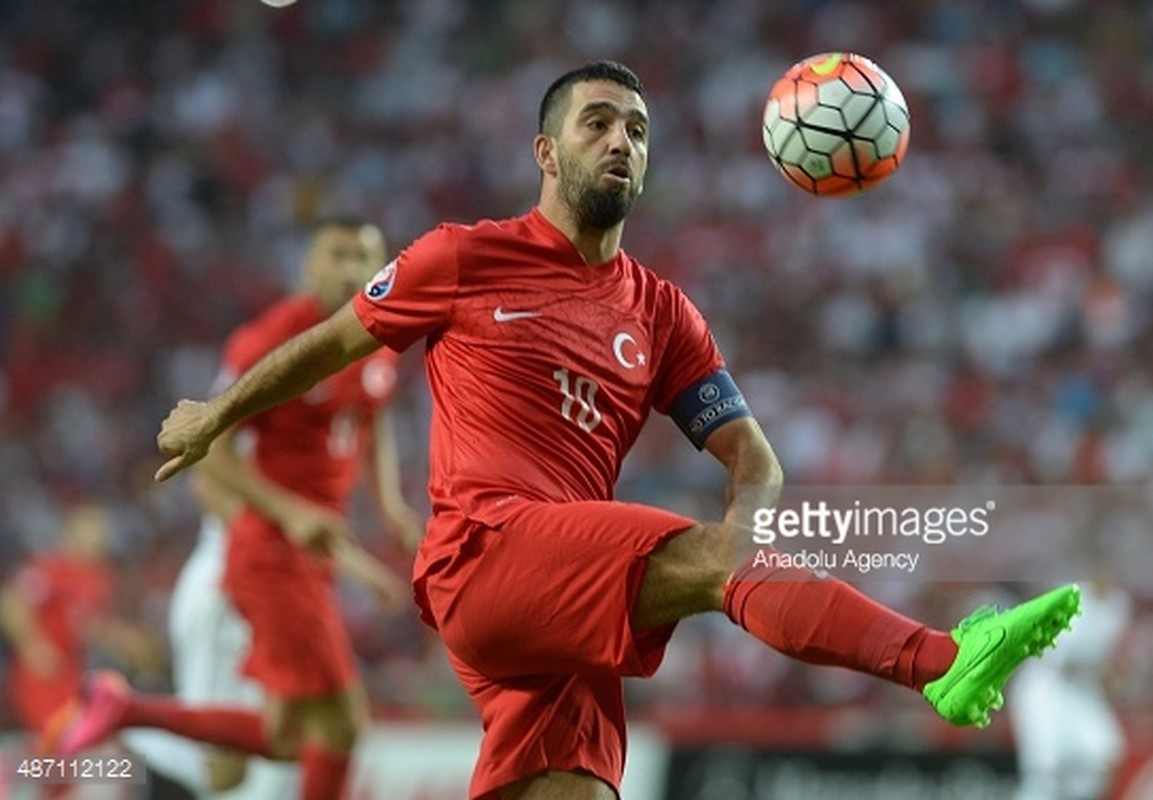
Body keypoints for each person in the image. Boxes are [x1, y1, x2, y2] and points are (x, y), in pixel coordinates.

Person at [78, 61, 1077, 799]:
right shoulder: (463, 257)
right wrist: (217, 413)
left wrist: (751, 529)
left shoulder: (662, 309)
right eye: (599, 123)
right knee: (694, 559)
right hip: (484, 550)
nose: (622, 142)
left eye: (638, 129)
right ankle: (941, 659)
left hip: (559, 593)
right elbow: (332, 343)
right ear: (547, 152)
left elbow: (752, 455)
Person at [45, 216, 421, 800]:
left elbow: (373, 415)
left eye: (364, 258)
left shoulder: (376, 336)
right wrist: (289, 513)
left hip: (301, 559)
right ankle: (103, 743)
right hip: (264, 555)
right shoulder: (272, 339)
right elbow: (210, 450)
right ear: (307, 265)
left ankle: (127, 709)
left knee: (286, 736)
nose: (352, 270)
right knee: (340, 726)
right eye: (338, 255)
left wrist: (390, 504)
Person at [0, 503, 161, 741]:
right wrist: (33, 645)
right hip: (43, 676)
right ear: (73, 533)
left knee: (75, 744)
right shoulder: (52, 568)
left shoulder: (99, 577)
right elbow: (11, 601)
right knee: (58, 743)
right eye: (92, 530)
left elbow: (91, 626)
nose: (99, 537)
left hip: (72, 674)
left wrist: (127, 642)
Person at [1010, 581, 1132, 800]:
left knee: (1102, 757)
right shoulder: (1074, 598)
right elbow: (1063, 662)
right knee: (1043, 776)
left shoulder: (1118, 604)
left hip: (1078, 692)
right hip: (1044, 689)